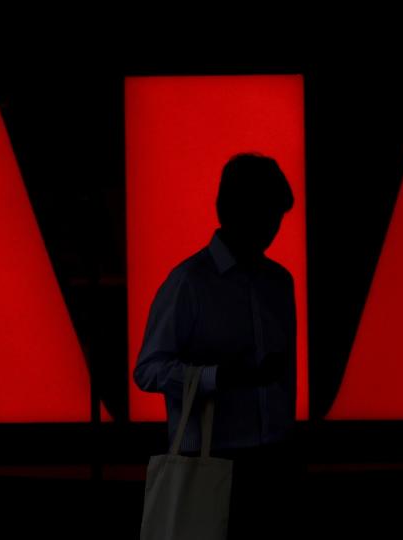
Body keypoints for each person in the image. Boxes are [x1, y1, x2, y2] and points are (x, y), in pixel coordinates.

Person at [133, 152, 306, 539]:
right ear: (235, 210)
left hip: (273, 456)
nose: (273, 227)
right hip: (213, 456)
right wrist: (218, 377)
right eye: (267, 214)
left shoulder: (278, 282)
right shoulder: (189, 283)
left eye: (275, 216)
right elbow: (147, 370)